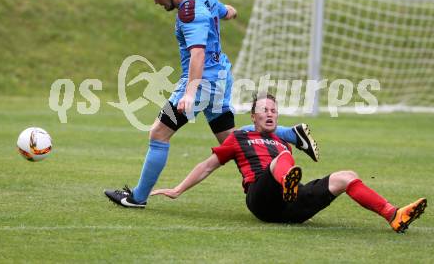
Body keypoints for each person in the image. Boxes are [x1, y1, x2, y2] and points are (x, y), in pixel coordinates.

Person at [104, 0, 318, 208]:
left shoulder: (189, 13)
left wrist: (189, 94)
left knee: (159, 134)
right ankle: (290, 136)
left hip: (202, 83)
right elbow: (228, 11)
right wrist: (230, 12)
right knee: (231, 140)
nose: (157, 2)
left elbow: (198, 54)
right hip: (220, 78)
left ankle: (137, 198)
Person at [150, 94, 427, 233]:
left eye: (274, 110)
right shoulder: (239, 138)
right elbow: (207, 165)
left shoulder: (283, 142)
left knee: (346, 176)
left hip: (291, 207)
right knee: (282, 161)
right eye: (264, 110)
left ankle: (393, 215)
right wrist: (177, 189)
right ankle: (288, 186)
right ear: (254, 116)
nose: (270, 114)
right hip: (261, 199)